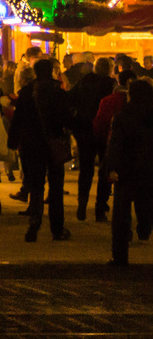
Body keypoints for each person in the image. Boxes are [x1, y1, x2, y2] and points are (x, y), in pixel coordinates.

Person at [9, 58, 72, 243]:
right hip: (52, 143)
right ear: (51, 71)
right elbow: (66, 118)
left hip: (31, 144)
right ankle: (57, 229)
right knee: (55, 187)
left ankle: (34, 223)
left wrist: (12, 141)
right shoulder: (57, 91)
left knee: (36, 185)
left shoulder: (27, 92)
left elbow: (18, 118)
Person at [105, 77, 153, 265]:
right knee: (147, 203)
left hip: (127, 169)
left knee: (121, 213)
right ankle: (145, 227)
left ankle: (120, 255)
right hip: (149, 168)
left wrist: (111, 167)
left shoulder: (123, 116)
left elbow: (115, 145)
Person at [69, 56, 116, 223]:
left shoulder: (84, 81)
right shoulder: (111, 85)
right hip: (103, 132)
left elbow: (70, 99)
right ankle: (100, 208)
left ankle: (82, 204)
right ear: (110, 69)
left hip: (84, 130)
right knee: (104, 170)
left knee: (86, 170)